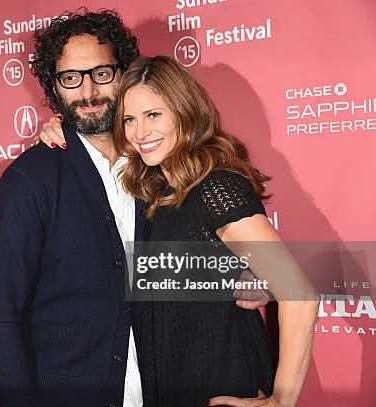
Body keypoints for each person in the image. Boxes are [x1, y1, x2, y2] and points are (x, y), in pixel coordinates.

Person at [0, 9, 269, 407]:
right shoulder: (28, 183)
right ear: (54, 87)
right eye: (70, 78)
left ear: (124, 73)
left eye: (102, 73)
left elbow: (161, 267)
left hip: (174, 386)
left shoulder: (160, 170)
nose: (88, 92)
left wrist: (250, 273)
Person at [40, 55, 319, 406]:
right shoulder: (153, 191)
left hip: (225, 387)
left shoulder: (216, 186)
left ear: (184, 111)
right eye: (129, 119)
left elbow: (299, 294)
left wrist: (281, 401)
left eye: (153, 115)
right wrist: (63, 130)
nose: (141, 133)